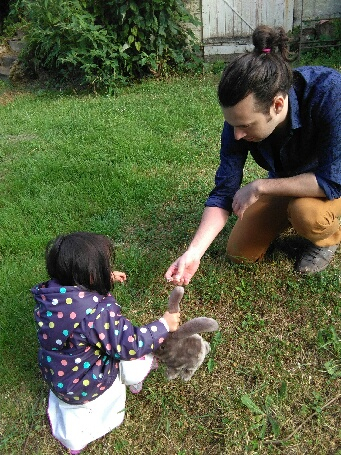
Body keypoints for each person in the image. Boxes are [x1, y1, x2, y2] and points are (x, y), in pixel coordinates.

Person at [165, 25, 341, 285]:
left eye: (245, 125)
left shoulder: (328, 94)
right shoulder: (240, 118)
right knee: (240, 253)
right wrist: (194, 252)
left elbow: (332, 180)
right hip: (287, 182)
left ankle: (327, 237)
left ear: (277, 104)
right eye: (232, 124)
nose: (236, 135)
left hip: (330, 182)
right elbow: (224, 192)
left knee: (307, 213)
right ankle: (292, 213)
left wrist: (260, 186)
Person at [32, 232, 180, 454]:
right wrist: (164, 325)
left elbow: (76, 287)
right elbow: (130, 344)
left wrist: (105, 277)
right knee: (137, 359)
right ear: (91, 276)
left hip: (58, 376)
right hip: (85, 385)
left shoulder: (50, 298)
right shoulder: (96, 314)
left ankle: (74, 442)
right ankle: (136, 379)